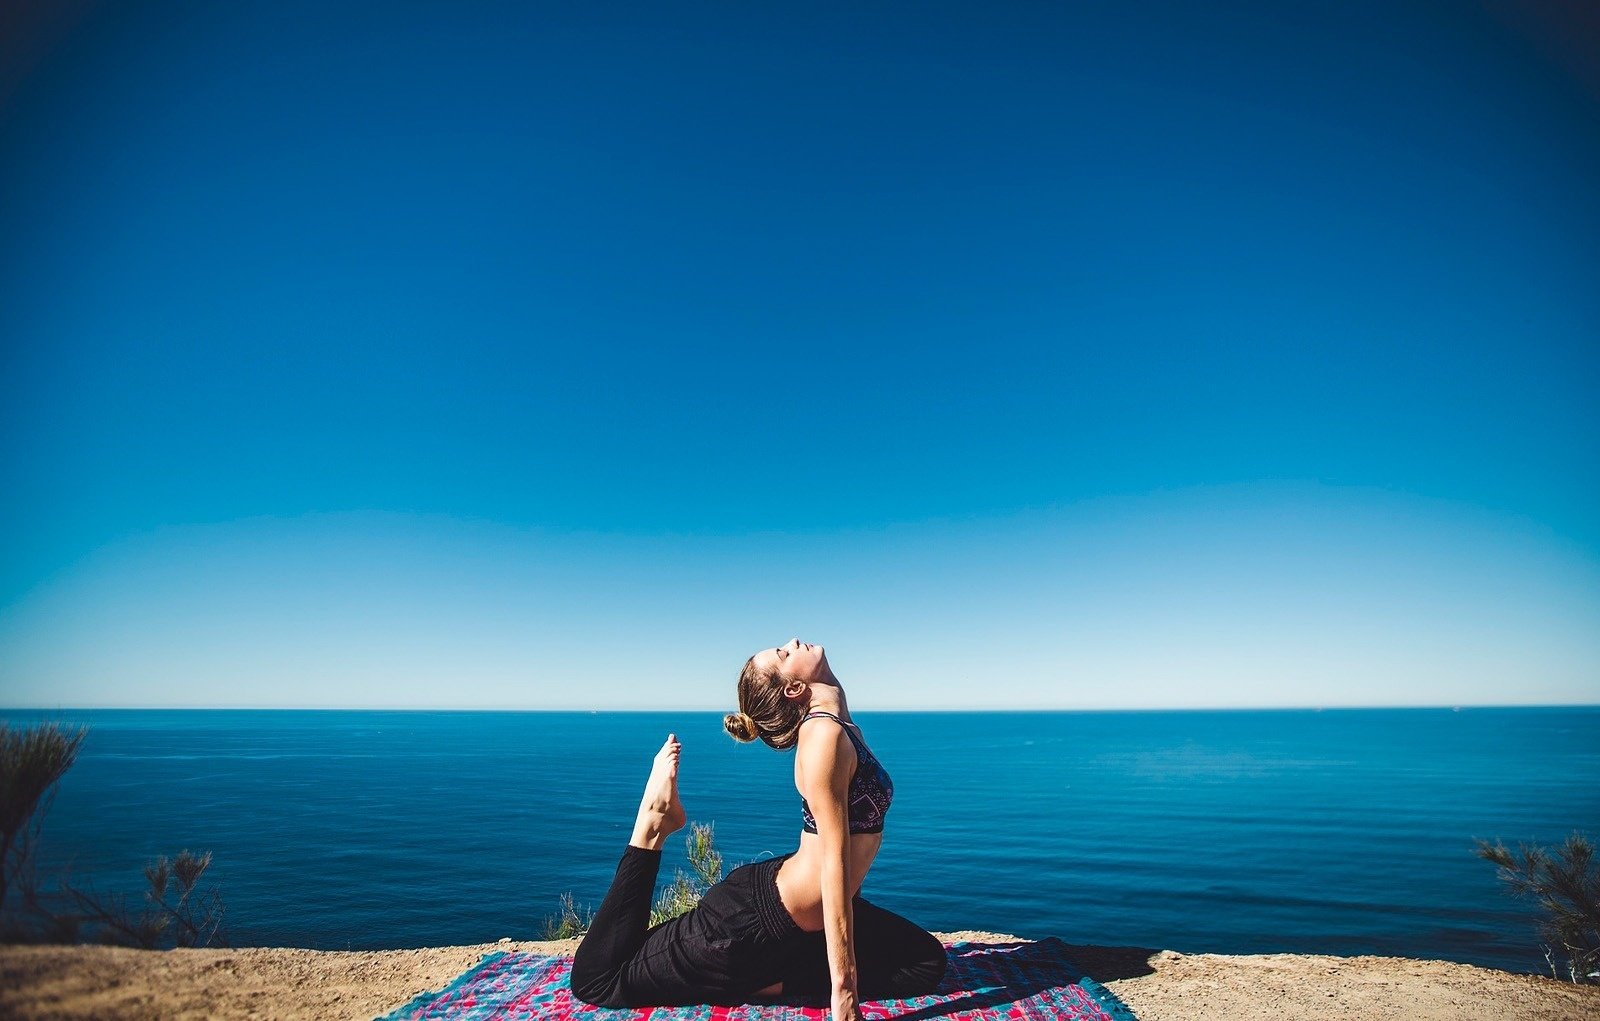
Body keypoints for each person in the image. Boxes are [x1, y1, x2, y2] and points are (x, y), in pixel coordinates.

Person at [569, 638, 948, 1018]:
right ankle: (653, 821)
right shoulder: (822, 737)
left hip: (797, 917)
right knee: (599, 978)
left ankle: (758, 979)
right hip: (749, 924)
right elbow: (835, 862)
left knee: (925, 962)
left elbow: (848, 854)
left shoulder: (844, 729)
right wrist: (844, 993)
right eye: (784, 654)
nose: (792, 643)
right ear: (794, 688)